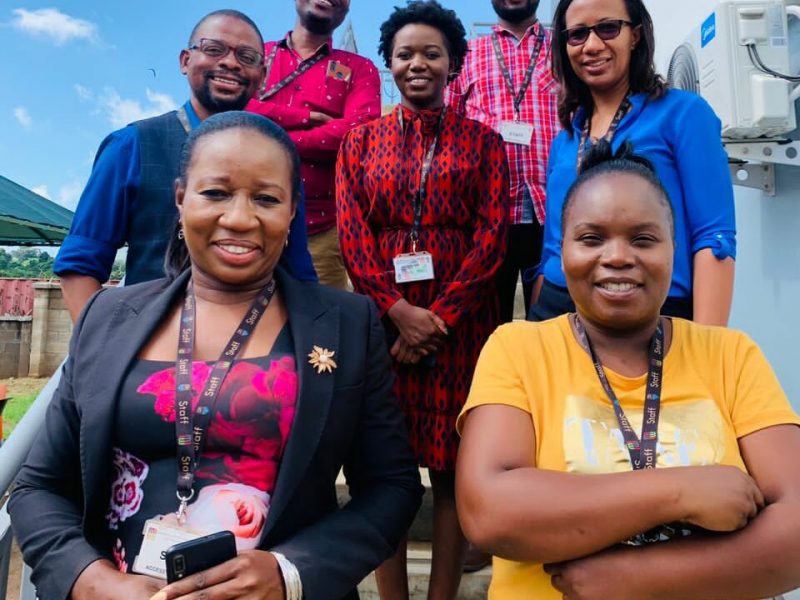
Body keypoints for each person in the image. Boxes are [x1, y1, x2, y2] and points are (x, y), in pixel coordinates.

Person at [10, 111, 423, 600]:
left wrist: (290, 574)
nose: (240, 217)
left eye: (267, 198)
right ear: (181, 198)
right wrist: (91, 581)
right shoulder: (108, 316)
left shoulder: (348, 324)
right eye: (216, 193)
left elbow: (392, 486)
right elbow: (38, 487)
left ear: (293, 213)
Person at [456, 140, 800, 599]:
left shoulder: (730, 354)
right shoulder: (517, 348)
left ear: (673, 250)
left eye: (643, 238)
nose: (617, 256)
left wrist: (633, 579)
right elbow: (489, 512)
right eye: (592, 238)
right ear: (563, 251)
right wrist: (682, 491)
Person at [336, 2, 508, 598]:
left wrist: (440, 320)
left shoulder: (485, 144)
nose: (418, 64)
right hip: (386, 324)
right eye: (405, 54)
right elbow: (354, 237)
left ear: (454, 64)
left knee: (454, 466)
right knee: (387, 469)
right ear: (389, 63)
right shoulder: (358, 143)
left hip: (463, 324)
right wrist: (398, 315)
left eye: (432, 53)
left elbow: (492, 238)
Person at [54, 10, 316, 324]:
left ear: (261, 75)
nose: (230, 63)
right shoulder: (132, 145)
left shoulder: (280, 160)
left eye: (246, 56)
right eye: (214, 49)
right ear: (184, 61)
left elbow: (299, 273)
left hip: (260, 356)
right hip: (150, 352)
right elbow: (79, 268)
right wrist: (104, 356)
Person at [529, 0, 736, 326]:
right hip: (557, 311)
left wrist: (709, 349)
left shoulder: (684, 114)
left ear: (636, 35)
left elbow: (714, 237)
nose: (592, 46)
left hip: (652, 308)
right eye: (578, 34)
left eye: (608, 28)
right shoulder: (565, 139)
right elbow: (554, 245)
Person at [246, 0, 381, 289]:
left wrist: (270, 139)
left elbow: (359, 131)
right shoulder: (258, 55)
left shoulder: (359, 67)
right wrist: (305, 117)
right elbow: (237, 107)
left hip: (322, 232)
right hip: (246, 222)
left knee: (319, 328)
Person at [447, 0, 559, 323]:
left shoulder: (564, 50)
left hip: (553, 213)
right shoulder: (466, 55)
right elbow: (449, 126)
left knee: (553, 327)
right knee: (487, 329)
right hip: (487, 215)